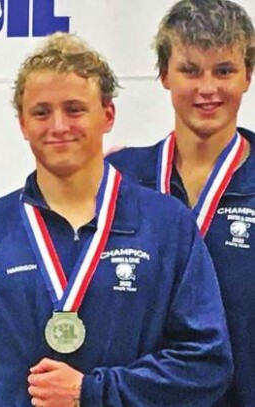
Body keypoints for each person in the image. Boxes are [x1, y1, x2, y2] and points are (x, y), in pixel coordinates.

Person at [0, 32, 232, 406]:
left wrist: (94, 392)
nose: (59, 126)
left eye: (75, 109)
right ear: (22, 124)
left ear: (108, 115)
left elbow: (206, 363)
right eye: (41, 112)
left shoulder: (165, 225)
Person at [107, 1, 255, 404]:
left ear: (248, 75)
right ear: (163, 75)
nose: (208, 88)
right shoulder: (118, 179)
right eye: (190, 70)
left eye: (224, 70)